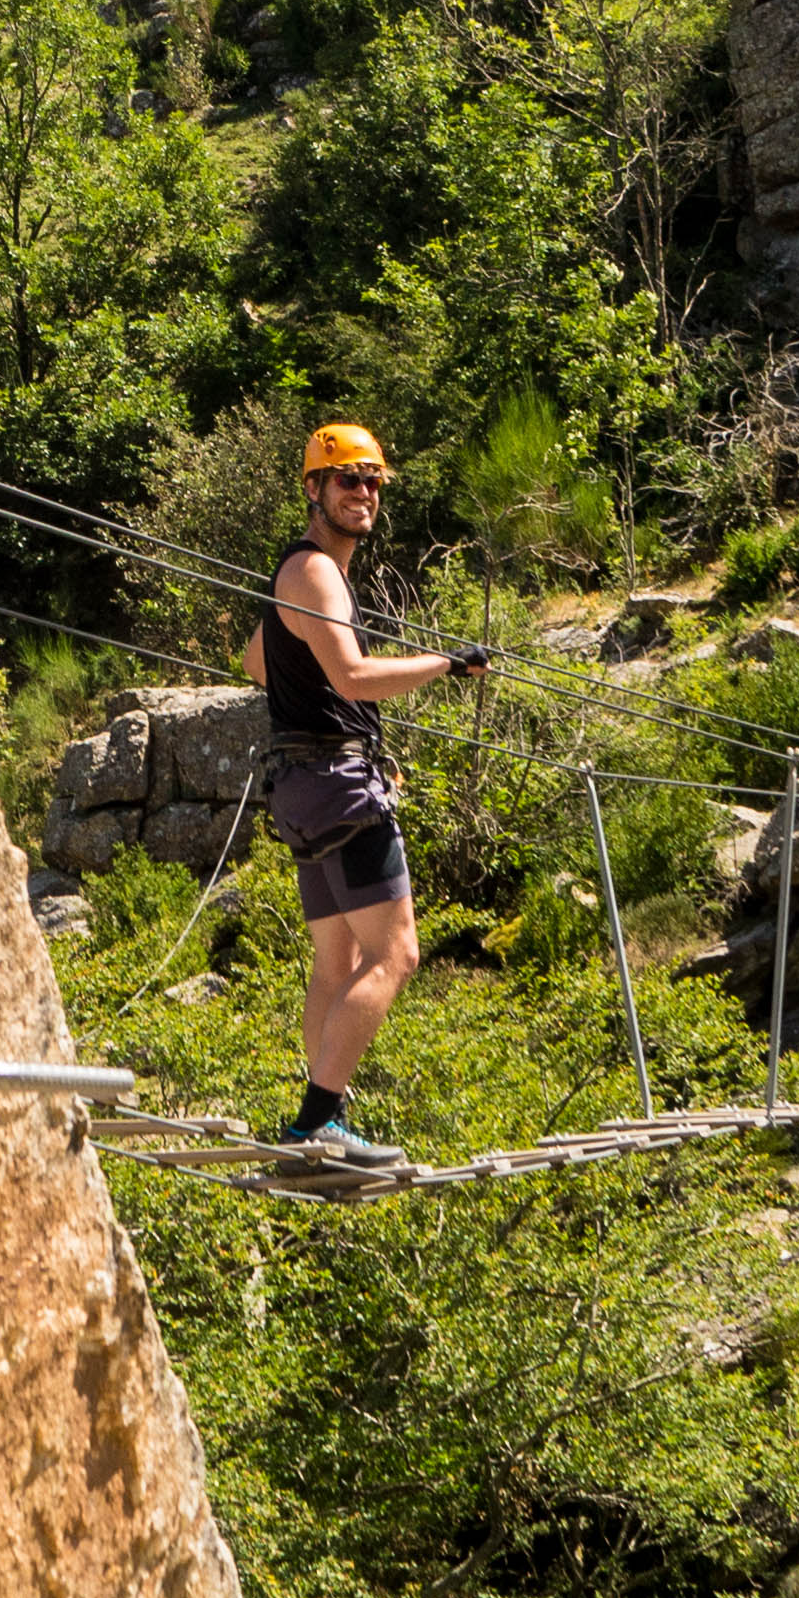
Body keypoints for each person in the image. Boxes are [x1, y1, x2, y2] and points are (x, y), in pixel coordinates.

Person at [243, 422, 486, 1162]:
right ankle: (317, 1121)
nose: (364, 493)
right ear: (314, 489)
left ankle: (318, 1128)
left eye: (374, 480)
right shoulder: (316, 571)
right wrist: (444, 663)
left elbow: (259, 660)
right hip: (340, 787)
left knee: (337, 964)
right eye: (347, 479)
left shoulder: (303, 575)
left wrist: (309, 668)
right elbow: (350, 677)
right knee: (398, 954)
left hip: (301, 789)